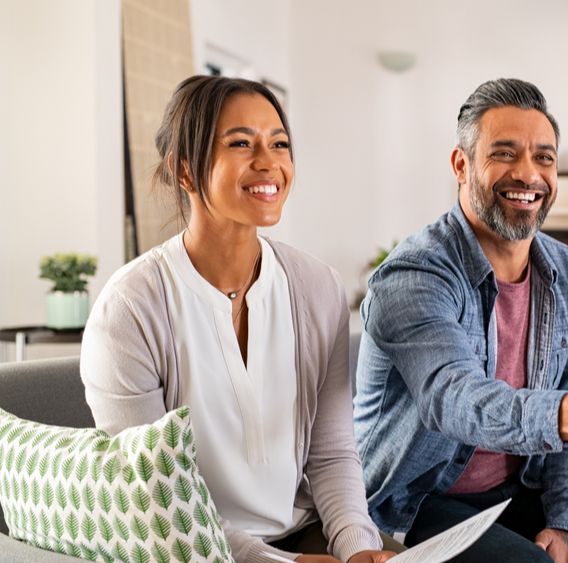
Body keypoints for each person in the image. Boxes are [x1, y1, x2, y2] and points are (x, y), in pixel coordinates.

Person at [353, 78, 568, 563]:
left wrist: (566, 522)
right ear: (461, 164)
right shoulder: (414, 275)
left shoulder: (567, 272)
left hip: (521, 485)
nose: (528, 175)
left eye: (544, 158)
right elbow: (455, 399)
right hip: (418, 501)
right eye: (504, 154)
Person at [80, 76, 397, 563]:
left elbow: (331, 453)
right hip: (188, 548)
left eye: (280, 144)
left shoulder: (318, 287)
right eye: (241, 143)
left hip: (301, 530)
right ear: (184, 170)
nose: (268, 162)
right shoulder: (130, 308)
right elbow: (158, 502)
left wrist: (356, 546)